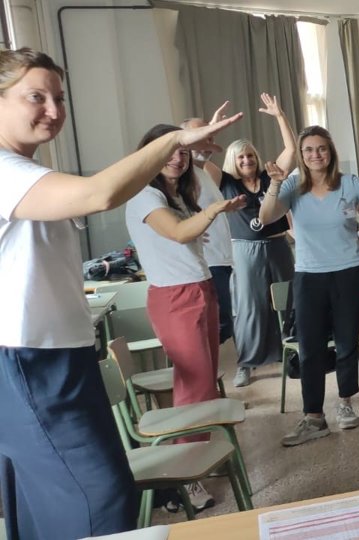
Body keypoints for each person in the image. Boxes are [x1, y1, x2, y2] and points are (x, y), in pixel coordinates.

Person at [0, 47, 240, 539]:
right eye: (36, 97)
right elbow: (100, 193)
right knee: (100, 499)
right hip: (28, 358)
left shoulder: (25, 170)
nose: (54, 110)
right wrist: (174, 138)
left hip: (59, 353)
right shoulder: (5, 171)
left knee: (54, 499)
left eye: (59, 98)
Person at [124, 123, 247, 510]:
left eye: (182, 152)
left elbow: (185, 234)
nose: (178, 158)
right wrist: (213, 211)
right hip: (174, 296)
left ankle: (190, 465)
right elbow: (177, 233)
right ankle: (182, 479)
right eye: (170, 150)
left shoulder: (175, 193)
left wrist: (201, 219)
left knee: (203, 383)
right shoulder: (143, 195)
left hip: (199, 287)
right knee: (194, 387)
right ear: (151, 154)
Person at [259, 125, 359, 447]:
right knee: (310, 347)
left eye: (321, 148)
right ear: (302, 155)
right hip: (309, 275)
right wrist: (275, 183)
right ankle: (314, 417)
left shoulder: (349, 183)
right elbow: (266, 217)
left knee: (347, 341)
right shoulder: (292, 185)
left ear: (330, 152)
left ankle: (346, 403)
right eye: (308, 150)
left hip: (350, 272)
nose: (315, 155)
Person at [212, 94, 298, 388]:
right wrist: (212, 130)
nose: (247, 160)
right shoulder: (225, 182)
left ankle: (290, 354)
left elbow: (291, 150)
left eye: (250, 155)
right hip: (245, 250)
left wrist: (280, 116)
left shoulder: (270, 174)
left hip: (278, 247)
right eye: (241, 157)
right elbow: (199, 162)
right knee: (250, 306)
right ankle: (246, 363)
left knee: (286, 300)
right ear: (233, 161)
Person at [181, 117, 235, 346]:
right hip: (208, 262)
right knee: (219, 325)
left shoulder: (203, 172)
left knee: (226, 323)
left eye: (210, 135)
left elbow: (201, 157)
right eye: (201, 136)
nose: (208, 140)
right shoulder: (182, 175)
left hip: (221, 259)